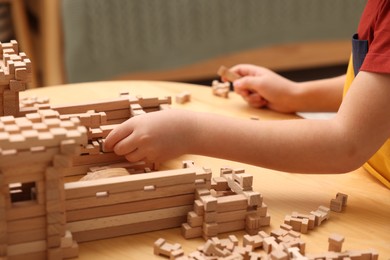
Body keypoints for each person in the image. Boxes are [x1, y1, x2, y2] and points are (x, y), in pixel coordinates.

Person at [105, 0, 390, 189]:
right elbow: (374, 92)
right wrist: (297, 94)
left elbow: (344, 146)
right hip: (369, 176)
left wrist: (191, 132)